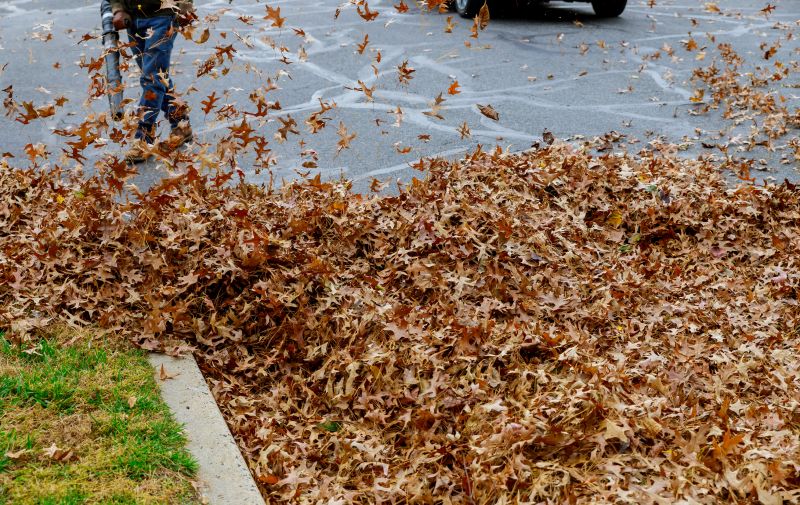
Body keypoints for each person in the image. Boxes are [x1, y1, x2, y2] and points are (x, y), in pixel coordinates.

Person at [111, 0, 196, 163]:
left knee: (152, 78)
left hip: (162, 16)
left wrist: (185, 6)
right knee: (157, 77)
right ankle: (181, 123)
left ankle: (143, 138)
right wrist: (118, 9)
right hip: (133, 19)